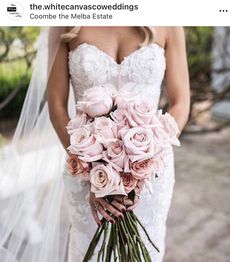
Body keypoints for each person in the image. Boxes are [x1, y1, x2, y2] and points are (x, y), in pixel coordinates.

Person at [0, 26, 190, 262]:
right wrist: (93, 169)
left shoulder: (169, 21)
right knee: (90, 250)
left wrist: (147, 159)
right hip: (85, 172)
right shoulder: (65, 21)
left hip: (150, 174)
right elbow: (57, 107)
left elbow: (181, 101)